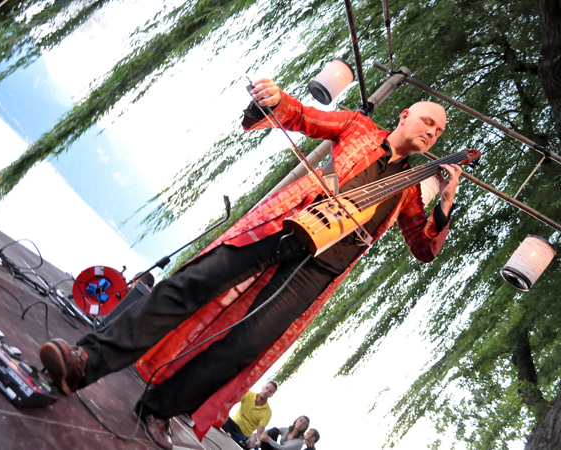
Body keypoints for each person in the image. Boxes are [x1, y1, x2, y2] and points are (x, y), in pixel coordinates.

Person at [38, 77, 462, 450]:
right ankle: (84, 363)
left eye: (439, 131)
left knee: (241, 348)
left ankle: (158, 410)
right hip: (283, 228)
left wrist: (444, 203)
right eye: (428, 121)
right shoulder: (358, 127)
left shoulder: (408, 190)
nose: (432, 132)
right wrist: (276, 99)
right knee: (191, 286)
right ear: (405, 115)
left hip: (314, 274)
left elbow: (422, 248)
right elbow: (303, 117)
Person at [222, 381, 278, 449]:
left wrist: (254, 438)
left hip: (242, 434)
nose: (266, 391)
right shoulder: (248, 394)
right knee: (221, 415)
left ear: (271, 395)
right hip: (231, 423)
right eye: (266, 388)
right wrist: (224, 414)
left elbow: (258, 433)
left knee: (248, 444)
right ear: (263, 387)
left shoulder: (267, 412)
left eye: (270, 391)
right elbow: (229, 403)